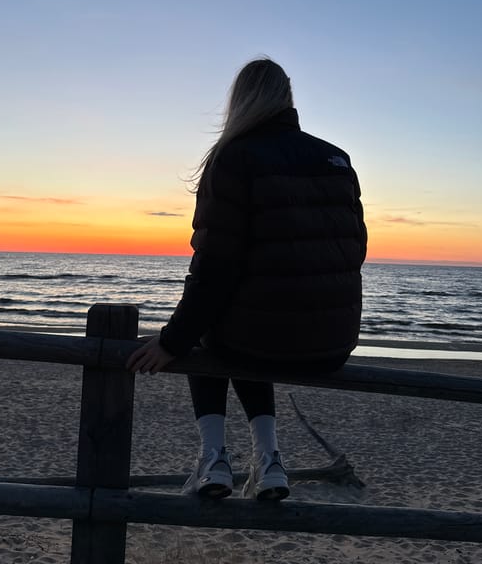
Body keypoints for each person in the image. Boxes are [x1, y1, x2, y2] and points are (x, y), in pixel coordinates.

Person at [127, 58, 367, 501]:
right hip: (332, 346)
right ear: (287, 97)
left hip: (261, 341)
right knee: (252, 329)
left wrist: (171, 341)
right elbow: (356, 252)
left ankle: (214, 459)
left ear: (239, 101)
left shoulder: (234, 157)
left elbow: (215, 266)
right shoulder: (337, 159)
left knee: (212, 337)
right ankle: (269, 461)